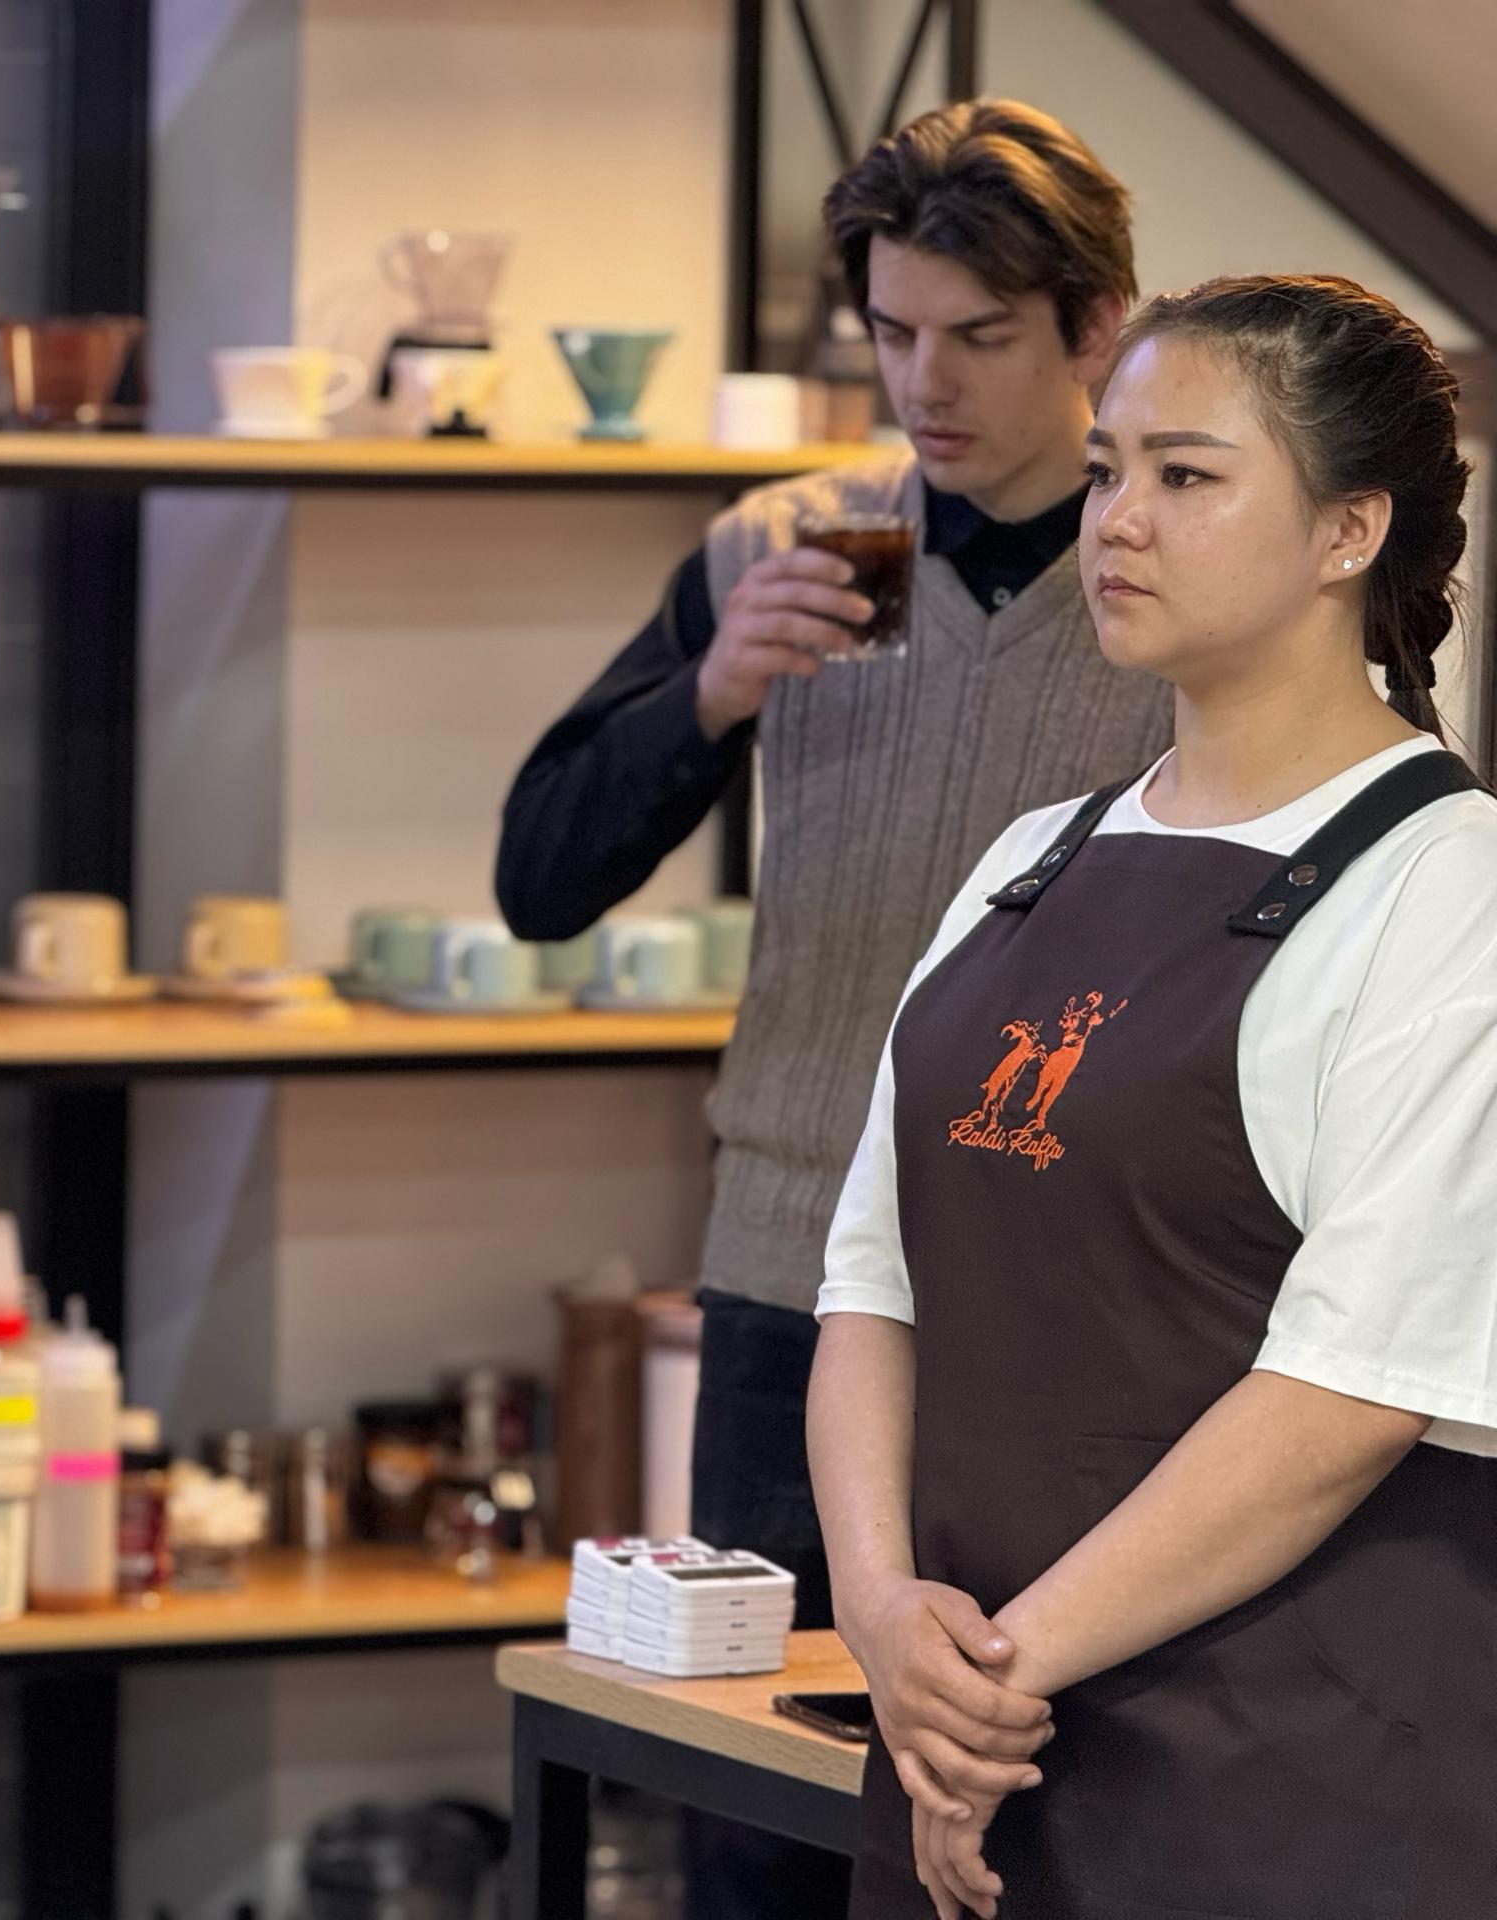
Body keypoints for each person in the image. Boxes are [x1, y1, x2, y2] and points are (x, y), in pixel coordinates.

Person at [496, 100, 1172, 1917]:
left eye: (981, 336)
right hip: (787, 1281)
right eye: (892, 332)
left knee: (1035, 1821)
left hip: (1076, 1293)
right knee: (757, 1828)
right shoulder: (775, 550)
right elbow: (539, 878)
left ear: (1099, 326)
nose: (924, 383)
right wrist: (709, 695)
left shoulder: (1170, 571)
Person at [811, 272, 1497, 1920]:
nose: (1117, 520)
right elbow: (872, 1287)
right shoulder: (1028, 861)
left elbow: (1343, 1398)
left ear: (1349, 531)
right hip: (967, 1755)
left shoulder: (1449, 893)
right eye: (1108, 470)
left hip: (1282, 1792)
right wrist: (883, 1617)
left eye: (1186, 476)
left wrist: (983, 1679)